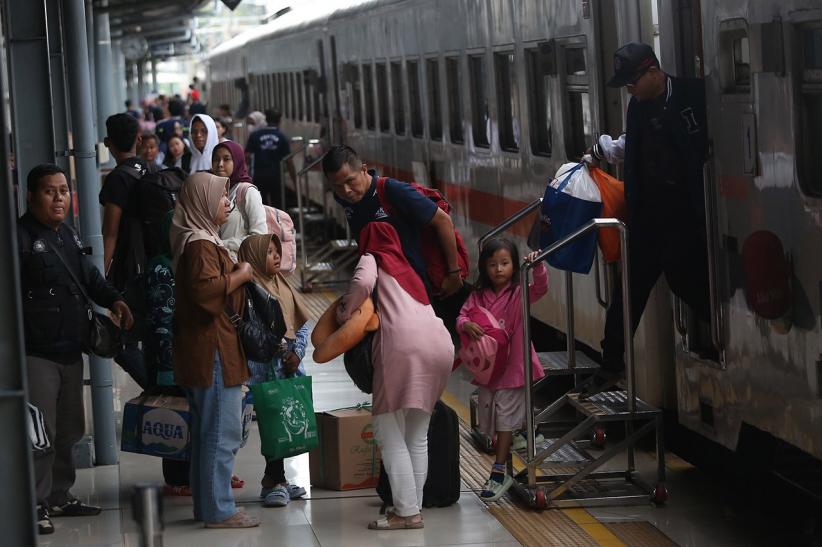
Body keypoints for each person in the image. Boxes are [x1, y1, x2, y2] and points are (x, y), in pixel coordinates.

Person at [585, 42, 711, 396]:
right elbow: (631, 147)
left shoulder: (694, 95)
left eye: (631, 83)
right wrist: (602, 151)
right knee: (626, 297)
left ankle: (722, 338)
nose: (629, 90)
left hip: (684, 219)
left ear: (653, 71)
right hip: (646, 222)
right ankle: (611, 365)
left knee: (688, 284)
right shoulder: (637, 108)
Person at [18, 164, 133, 534]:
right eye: (50, 192)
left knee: (69, 429)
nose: (59, 198)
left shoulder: (65, 234)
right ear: (32, 197)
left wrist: (114, 299)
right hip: (36, 353)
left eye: (64, 191)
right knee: (41, 434)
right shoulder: (20, 240)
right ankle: (34, 502)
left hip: (71, 349)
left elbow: (89, 278)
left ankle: (58, 494)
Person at [337, 222, 453, 530]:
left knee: (387, 429)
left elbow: (362, 281)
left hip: (404, 348)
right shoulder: (407, 267)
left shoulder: (373, 257)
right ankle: (410, 508)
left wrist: (345, 312)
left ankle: (406, 512)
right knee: (417, 433)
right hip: (440, 345)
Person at [170, 171, 260, 529]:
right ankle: (219, 510)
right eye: (222, 198)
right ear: (203, 203)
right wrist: (241, 275)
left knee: (211, 432)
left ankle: (210, 506)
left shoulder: (201, 240)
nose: (228, 203)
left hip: (210, 349)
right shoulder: (201, 246)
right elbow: (206, 293)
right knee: (221, 434)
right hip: (213, 352)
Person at [456, 238, 548, 502]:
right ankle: (524, 431)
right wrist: (466, 326)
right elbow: (462, 316)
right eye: (493, 264)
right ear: (484, 267)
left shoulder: (518, 294)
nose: (499, 269)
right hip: (489, 371)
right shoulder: (477, 296)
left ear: (514, 266)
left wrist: (538, 266)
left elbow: (540, 288)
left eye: (505, 263)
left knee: (504, 416)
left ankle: (498, 472)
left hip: (514, 367)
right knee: (491, 417)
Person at [323, 144, 464, 299]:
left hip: (416, 285)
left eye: (350, 181)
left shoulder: (393, 191)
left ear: (364, 169)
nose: (346, 190)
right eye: (337, 186)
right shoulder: (345, 199)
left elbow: (443, 220)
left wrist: (453, 272)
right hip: (383, 286)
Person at [237, 234, 310, 508]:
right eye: (268, 252)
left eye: (277, 251)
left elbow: (301, 325)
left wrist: (297, 352)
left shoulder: (283, 286)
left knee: (282, 424)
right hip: (261, 371)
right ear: (253, 258)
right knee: (270, 424)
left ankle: (277, 479)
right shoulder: (248, 293)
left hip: (286, 367)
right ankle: (272, 482)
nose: (276, 256)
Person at [100, 113, 149, 389]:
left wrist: (100, 281)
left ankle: (157, 389)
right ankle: (164, 391)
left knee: (122, 341)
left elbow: (110, 234)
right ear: (139, 140)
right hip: (157, 266)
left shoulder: (117, 179)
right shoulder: (153, 170)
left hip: (129, 270)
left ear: (108, 142)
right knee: (153, 335)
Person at [215, 140, 268, 261]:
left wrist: (223, 244)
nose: (220, 164)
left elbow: (259, 237)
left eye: (226, 159)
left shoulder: (247, 192)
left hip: (242, 268)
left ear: (237, 161)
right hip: (218, 265)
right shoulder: (212, 191)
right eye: (216, 159)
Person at [245, 110, 296, 207]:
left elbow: (247, 156)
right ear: (279, 121)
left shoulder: (255, 136)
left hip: (258, 176)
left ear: (266, 120)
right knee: (277, 206)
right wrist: (294, 179)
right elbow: (289, 161)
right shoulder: (282, 137)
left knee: (260, 206)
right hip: (276, 176)